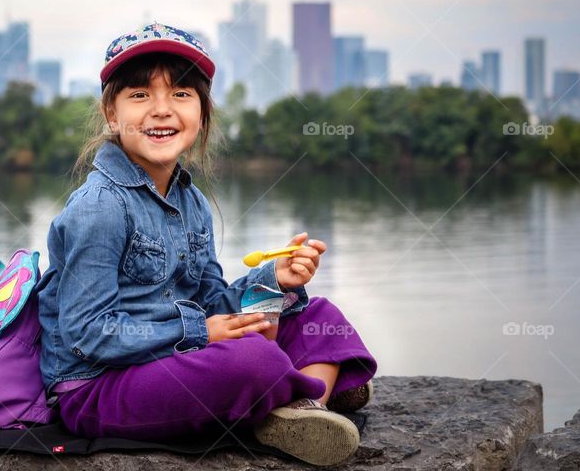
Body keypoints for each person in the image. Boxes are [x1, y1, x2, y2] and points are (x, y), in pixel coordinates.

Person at [36, 23, 377, 466]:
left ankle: (298, 408)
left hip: (175, 361)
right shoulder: (100, 207)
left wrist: (273, 281)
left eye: (181, 94)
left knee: (319, 318)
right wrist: (200, 332)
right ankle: (309, 393)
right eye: (140, 95)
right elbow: (87, 334)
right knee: (251, 360)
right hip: (99, 388)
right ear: (111, 114)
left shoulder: (192, 202)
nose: (162, 110)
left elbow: (213, 304)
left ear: (201, 113)